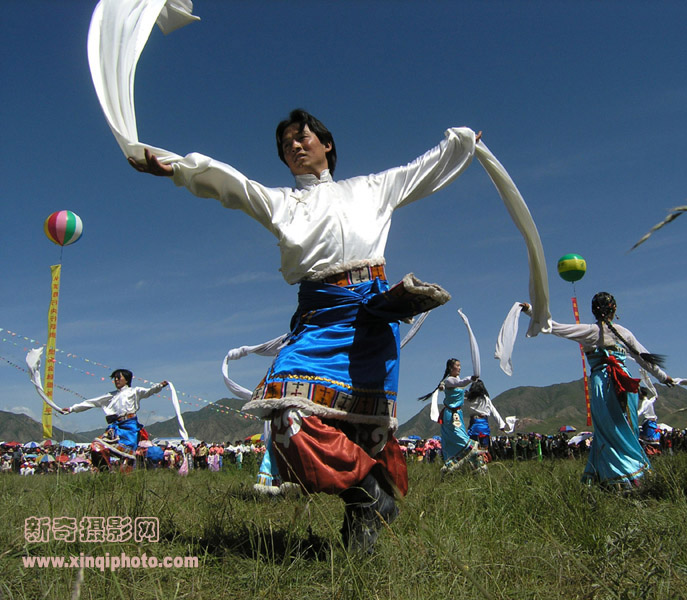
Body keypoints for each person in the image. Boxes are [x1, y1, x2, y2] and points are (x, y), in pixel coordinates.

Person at [130, 108, 481, 552]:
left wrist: (462, 143)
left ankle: (361, 532)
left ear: (326, 144)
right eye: (285, 146)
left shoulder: (370, 188)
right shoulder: (282, 202)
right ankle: (369, 494)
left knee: (363, 431)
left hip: (370, 322)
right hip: (319, 320)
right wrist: (178, 168)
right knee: (286, 415)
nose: (294, 147)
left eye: (301, 137)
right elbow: (231, 185)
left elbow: (421, 171)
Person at [521, 293, 675, 489]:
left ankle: (612, 477)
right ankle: (634, 475)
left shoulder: (589, 331)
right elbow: (645, 359)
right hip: (624, 385)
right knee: (626, 428)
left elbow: (554, 327)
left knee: (607, 431)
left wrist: (530, 310)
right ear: (615, 310)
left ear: (594, 310)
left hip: (603, 386)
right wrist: (664, 378)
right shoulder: (624, 333)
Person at [60, 369, 168, 463]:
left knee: (127, 457)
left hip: (129, 427)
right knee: (96, 446)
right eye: (115, 378)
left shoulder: (134, 391)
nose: (116, 380)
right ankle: (106, 473)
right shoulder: (111, 395)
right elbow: (91, 402)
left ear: (126, 379)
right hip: (116, 427)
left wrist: (160, 386)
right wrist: (71, 409)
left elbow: (149, 391)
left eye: (118, 377)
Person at [434, 358, 486, 476]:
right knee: (460, 438)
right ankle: (453, 466)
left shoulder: (454, 380)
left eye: (460, 365)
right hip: (450, 415)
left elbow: (461, 390)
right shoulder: (450, 381)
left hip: (458, 414)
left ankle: (466, 467)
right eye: (457, 365)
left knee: (459, 439)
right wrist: (471, 378)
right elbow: (460, 383)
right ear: (450, 368)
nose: (460, 368)